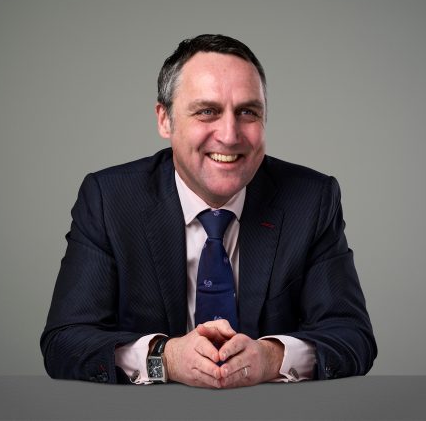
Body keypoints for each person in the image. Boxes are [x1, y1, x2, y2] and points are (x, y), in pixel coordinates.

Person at [40, 34, 376, 387]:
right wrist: (164, 358)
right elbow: (64, 343)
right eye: (207, 111)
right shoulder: (109, 200)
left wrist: (272, 358)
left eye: (248, 112)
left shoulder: (310, 200)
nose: (229, 136)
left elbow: (352, 338)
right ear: (165, 120)